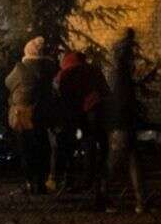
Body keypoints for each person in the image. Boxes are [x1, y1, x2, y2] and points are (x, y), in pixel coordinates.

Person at [102, 28, 150, 213]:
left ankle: (140, 201)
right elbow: (121, 101)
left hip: (122, 123)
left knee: (130, 161)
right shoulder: (121, 75)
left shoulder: (118, 73)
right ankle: (108, 199)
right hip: (122, 124)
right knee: (117, 162)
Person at [52, 47, 109, 202]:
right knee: (95, 143)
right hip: (95, 109)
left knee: (72, 145)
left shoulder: (64, 74)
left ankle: (70, 179)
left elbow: (59, 94)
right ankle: (95, 177)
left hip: (75, 113)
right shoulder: (94, 70)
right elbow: (105, 90)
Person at [6, 37, 56, 195]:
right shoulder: (51, 68)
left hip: (24, 114)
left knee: (26, 148)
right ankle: (41, 183)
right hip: (44, 112)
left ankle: (29, 182)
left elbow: (8, 82)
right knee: (42, 146)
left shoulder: (21, 68)